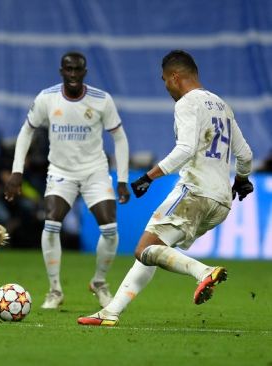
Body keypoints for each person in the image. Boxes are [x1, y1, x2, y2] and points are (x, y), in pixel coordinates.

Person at [78, 50, 254, 327]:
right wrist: (241, 180)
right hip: (220, 203)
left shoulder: (187, 104)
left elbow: (185, 149)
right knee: (155, 250)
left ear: (175, 76)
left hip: (194, 192)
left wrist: (149, 176)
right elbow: (245, 155)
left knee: (144, 249)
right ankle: (111, 312)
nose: (166, 87)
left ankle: (203, 271)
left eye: (164, 80)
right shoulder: (222, 106)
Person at [4, 51, 130, 309]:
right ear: (61, 71)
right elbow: (26, 131)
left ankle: (99, 282)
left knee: (110, 228)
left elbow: (120, 138)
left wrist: (123, 178)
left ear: (85, 72)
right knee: (51, 222)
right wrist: (17, 171)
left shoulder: (101, 100)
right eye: (68, 69)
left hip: (94, 171)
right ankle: (54, 290)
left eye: (77, 70)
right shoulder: (47, 98)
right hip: (61, 172)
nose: (73, 74)